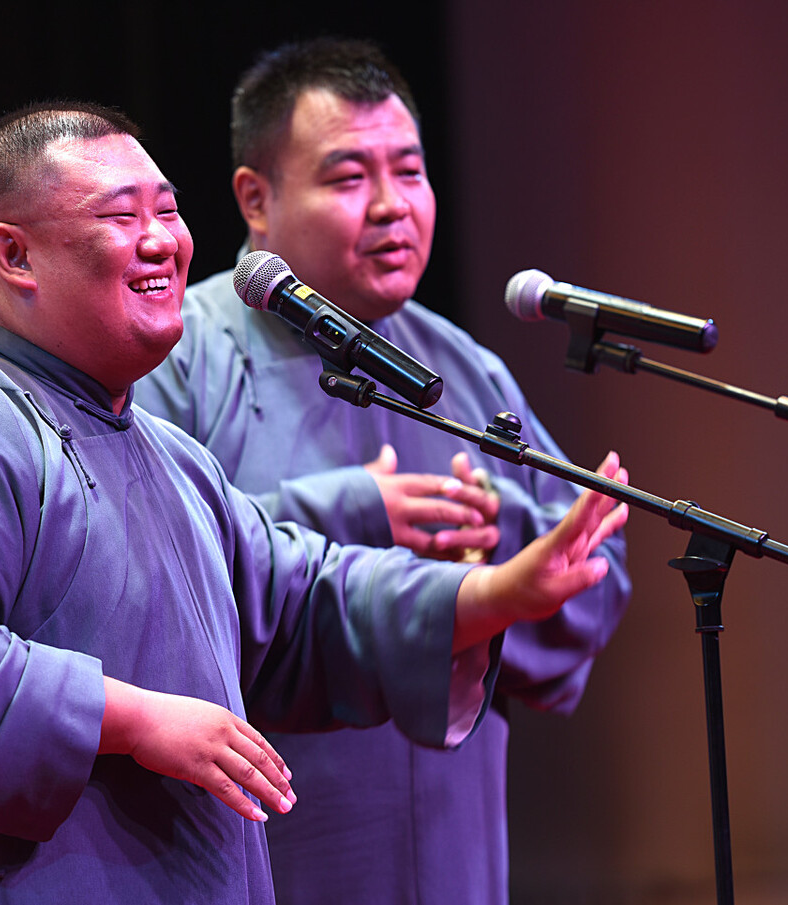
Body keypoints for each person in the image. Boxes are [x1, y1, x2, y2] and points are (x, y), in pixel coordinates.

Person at [0, 100, 628, 904]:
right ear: (15, 255)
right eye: (121, 215)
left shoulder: (173, 460)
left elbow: (303, 596)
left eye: (168, 211)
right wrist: (135, 719)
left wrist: (498, 589)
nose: (163, 240)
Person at [133, 38, 633, 905]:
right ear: (257, 198)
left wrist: (505, 546)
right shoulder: (184, 355)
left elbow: (592, 581)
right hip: (274, 837)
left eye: (409, 171)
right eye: (348, 177)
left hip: (452, 840)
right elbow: (141, 575)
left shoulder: (461, 368)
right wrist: (351, 511)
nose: (392, 206)